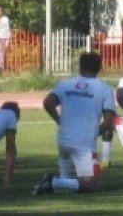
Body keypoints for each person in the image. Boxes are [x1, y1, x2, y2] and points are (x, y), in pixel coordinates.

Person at [34, 52, 116, 195]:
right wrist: (93, 134)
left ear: (80, 67)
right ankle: (52, 182)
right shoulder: (105, 89)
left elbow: (48, 102)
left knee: (66, 189)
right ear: (99, 68)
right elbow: (108, 122)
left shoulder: (66, 84)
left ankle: (57, 183)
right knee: (93, 184)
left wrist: (60, 121)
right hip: (83, 144)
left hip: (63, 140)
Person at [0, 5, 11, 72]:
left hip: (4, 38)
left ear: (1, 12)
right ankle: (0, 68)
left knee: (3, 53)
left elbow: (1, 27)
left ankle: (4, 68)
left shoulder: (5, 19)